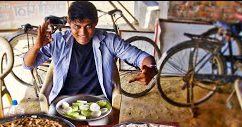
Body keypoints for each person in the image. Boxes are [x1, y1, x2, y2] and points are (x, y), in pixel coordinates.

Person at [23, 1, 157, 112]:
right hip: (63, 100)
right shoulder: (58, 41)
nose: (83, 32)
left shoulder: (109, 41)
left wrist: (149, 67)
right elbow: (27, 64)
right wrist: (36, 47)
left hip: (98, 102)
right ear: (69, 22)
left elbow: (140, 56)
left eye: (88, 26)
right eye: (77, 26)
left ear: (96, 22)